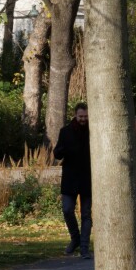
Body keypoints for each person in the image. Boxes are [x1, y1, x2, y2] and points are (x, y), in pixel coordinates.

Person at [55, 103, 93, 258]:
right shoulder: (65, 131)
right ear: (75, 115)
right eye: (81, 116)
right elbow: (57, 152)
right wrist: (61, 151)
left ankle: (84, 247)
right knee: (67, 210)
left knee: (86, 214)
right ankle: (75, 238)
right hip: (70, 177)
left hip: (88, 177)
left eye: (85, 116)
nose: (83, 119)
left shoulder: (93, 131)